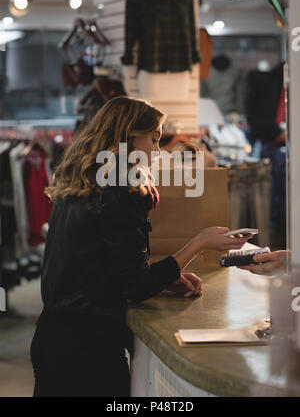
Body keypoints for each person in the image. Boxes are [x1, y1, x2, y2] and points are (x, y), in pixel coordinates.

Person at [30, 96, 251, 397]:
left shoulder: (82, 181)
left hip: (53, 336)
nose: (158, 151)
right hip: (89, 348)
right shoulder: (120, 189)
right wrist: (199, 243)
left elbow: (105, 268)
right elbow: (134, 285)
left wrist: (163, 280)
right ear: (130, 137)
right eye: (154, 139)